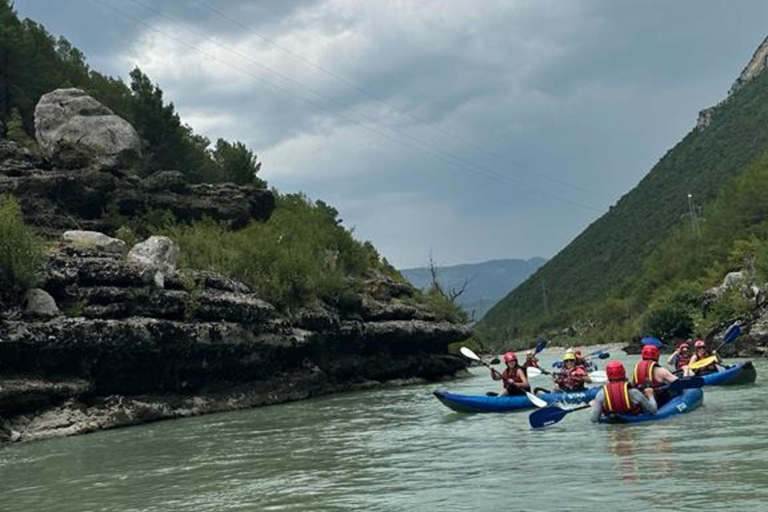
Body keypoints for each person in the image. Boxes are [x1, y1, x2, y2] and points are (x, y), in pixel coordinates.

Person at [590, 361, 657, 422]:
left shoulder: (601, 394)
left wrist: (594, 405)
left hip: (612, 427)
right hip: (634, 422)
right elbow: (653, 410)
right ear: (623, 372)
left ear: (608, 375)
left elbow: (593, 419)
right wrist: (650, 395)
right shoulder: (634, 392)